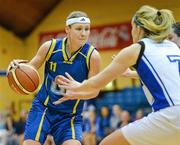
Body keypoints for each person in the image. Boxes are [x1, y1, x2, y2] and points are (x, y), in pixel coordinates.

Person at [55, 5, 180, 145]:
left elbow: (97, 83)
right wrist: (130, 73)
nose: (132, 32)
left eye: (132, 27)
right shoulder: (172, 47)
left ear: (138, 28)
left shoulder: (137, 48)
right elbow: (166, 75)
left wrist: (78, 86)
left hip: (170, 114)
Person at [7, 11, 101, 145]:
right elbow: (29, 69)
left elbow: (94, 91)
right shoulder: (50, 47)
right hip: (43, 108)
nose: (84, 33)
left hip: (69, 115)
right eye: (79, 29)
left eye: (87, 29)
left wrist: (77, 90)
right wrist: (16, 68)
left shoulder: (92, 56)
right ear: (67, 29)